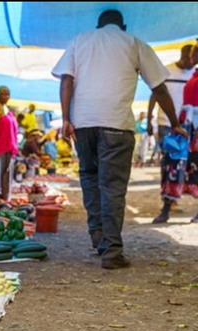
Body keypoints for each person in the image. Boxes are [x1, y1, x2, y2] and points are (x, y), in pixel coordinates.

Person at [52, 9, 186, 269]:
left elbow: (66, 80)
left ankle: (98, 238)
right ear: (122, 26)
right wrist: (175, 123)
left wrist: (66, 119)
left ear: (98, 26)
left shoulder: (80, 40)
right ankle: (111, 251)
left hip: (84, 124)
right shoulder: (134, 43)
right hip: (116, 125)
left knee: (90, 178)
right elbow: (158, 87)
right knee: (112, 187)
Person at [152, 44, 197, 223]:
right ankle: (166, 208)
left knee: (192, 167)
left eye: (194, 53)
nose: (191, 57)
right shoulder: (193, 76)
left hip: (193, 131)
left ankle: (166, 210)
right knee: (172, 165)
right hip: (183, 128)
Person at [147, 44, 194, 149]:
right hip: (165, 123)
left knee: (185, 161)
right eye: (188, 58)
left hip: (188, 123)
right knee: (169, 158)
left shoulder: (195, 74)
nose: (191, 62)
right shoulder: (166, 71)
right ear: (184, 56)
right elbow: (155, 95)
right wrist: (149, 120)